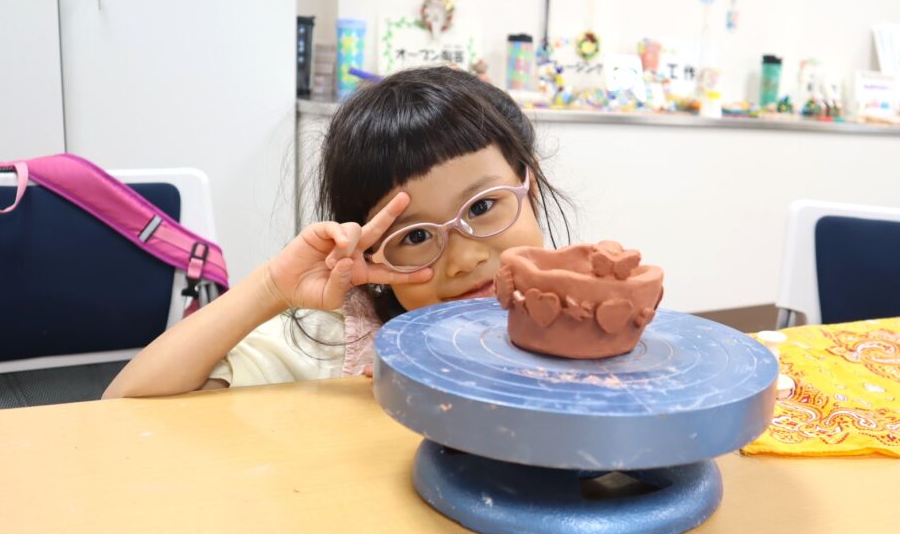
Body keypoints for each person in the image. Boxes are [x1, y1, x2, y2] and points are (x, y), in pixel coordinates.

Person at [102, 66, 571, 399]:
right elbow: (125, 402)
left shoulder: (581, 320)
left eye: (483, 207)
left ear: (529, 184)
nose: (465, 259)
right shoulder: (333, 342)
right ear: (371, 251)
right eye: (415, 236)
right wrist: (271, 288)